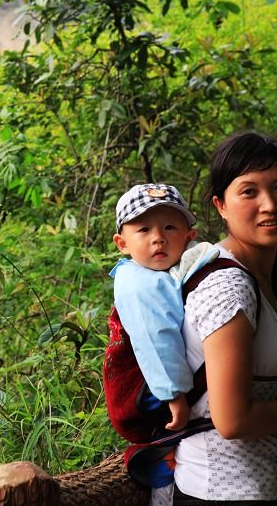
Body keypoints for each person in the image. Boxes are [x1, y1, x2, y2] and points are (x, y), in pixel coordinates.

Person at [172, 131, 277, 505]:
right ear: (220, 205)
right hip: (219, 491)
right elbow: (233, 420)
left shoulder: (257, 273)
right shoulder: (228, 284)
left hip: (251, 487)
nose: (269, 205)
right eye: (249, 191)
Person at [110, 183, 220, 506]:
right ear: (122, 243)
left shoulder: (164, 273)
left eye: (170, 227)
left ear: (189, 234)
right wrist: (174, 396)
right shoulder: (139, 283)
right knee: (171, 447)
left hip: (158, 381)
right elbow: (157, 341)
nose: (158, 237)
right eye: (143, 229)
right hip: (148, 388)